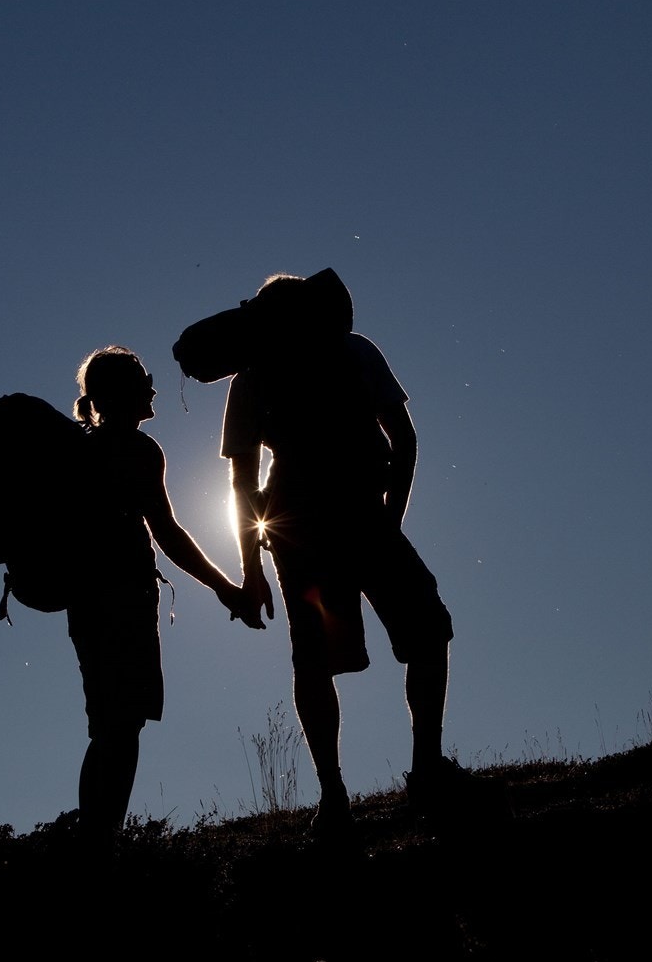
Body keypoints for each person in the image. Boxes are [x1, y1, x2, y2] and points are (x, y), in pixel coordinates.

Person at [222, 274, 462, 838]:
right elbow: (404, 441)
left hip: (294, 526)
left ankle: (334, 799)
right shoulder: (353, 350)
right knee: (427, 632)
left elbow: (241, 482)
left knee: (312, 657)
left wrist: (250, 569)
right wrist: (390, 519)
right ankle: (425, 770)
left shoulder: (250, 378)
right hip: (359, 514)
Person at [66, 346, 261, 857]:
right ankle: (102, 844)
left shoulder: (79, 450)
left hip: (83, 601)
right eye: (144, 379)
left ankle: (94, 841)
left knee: (106, 723)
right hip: (124, 599)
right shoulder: (137, 450)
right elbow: (169, 535)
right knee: (123, 725)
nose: (154, 388)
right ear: (122, 393)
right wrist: (227, 589)